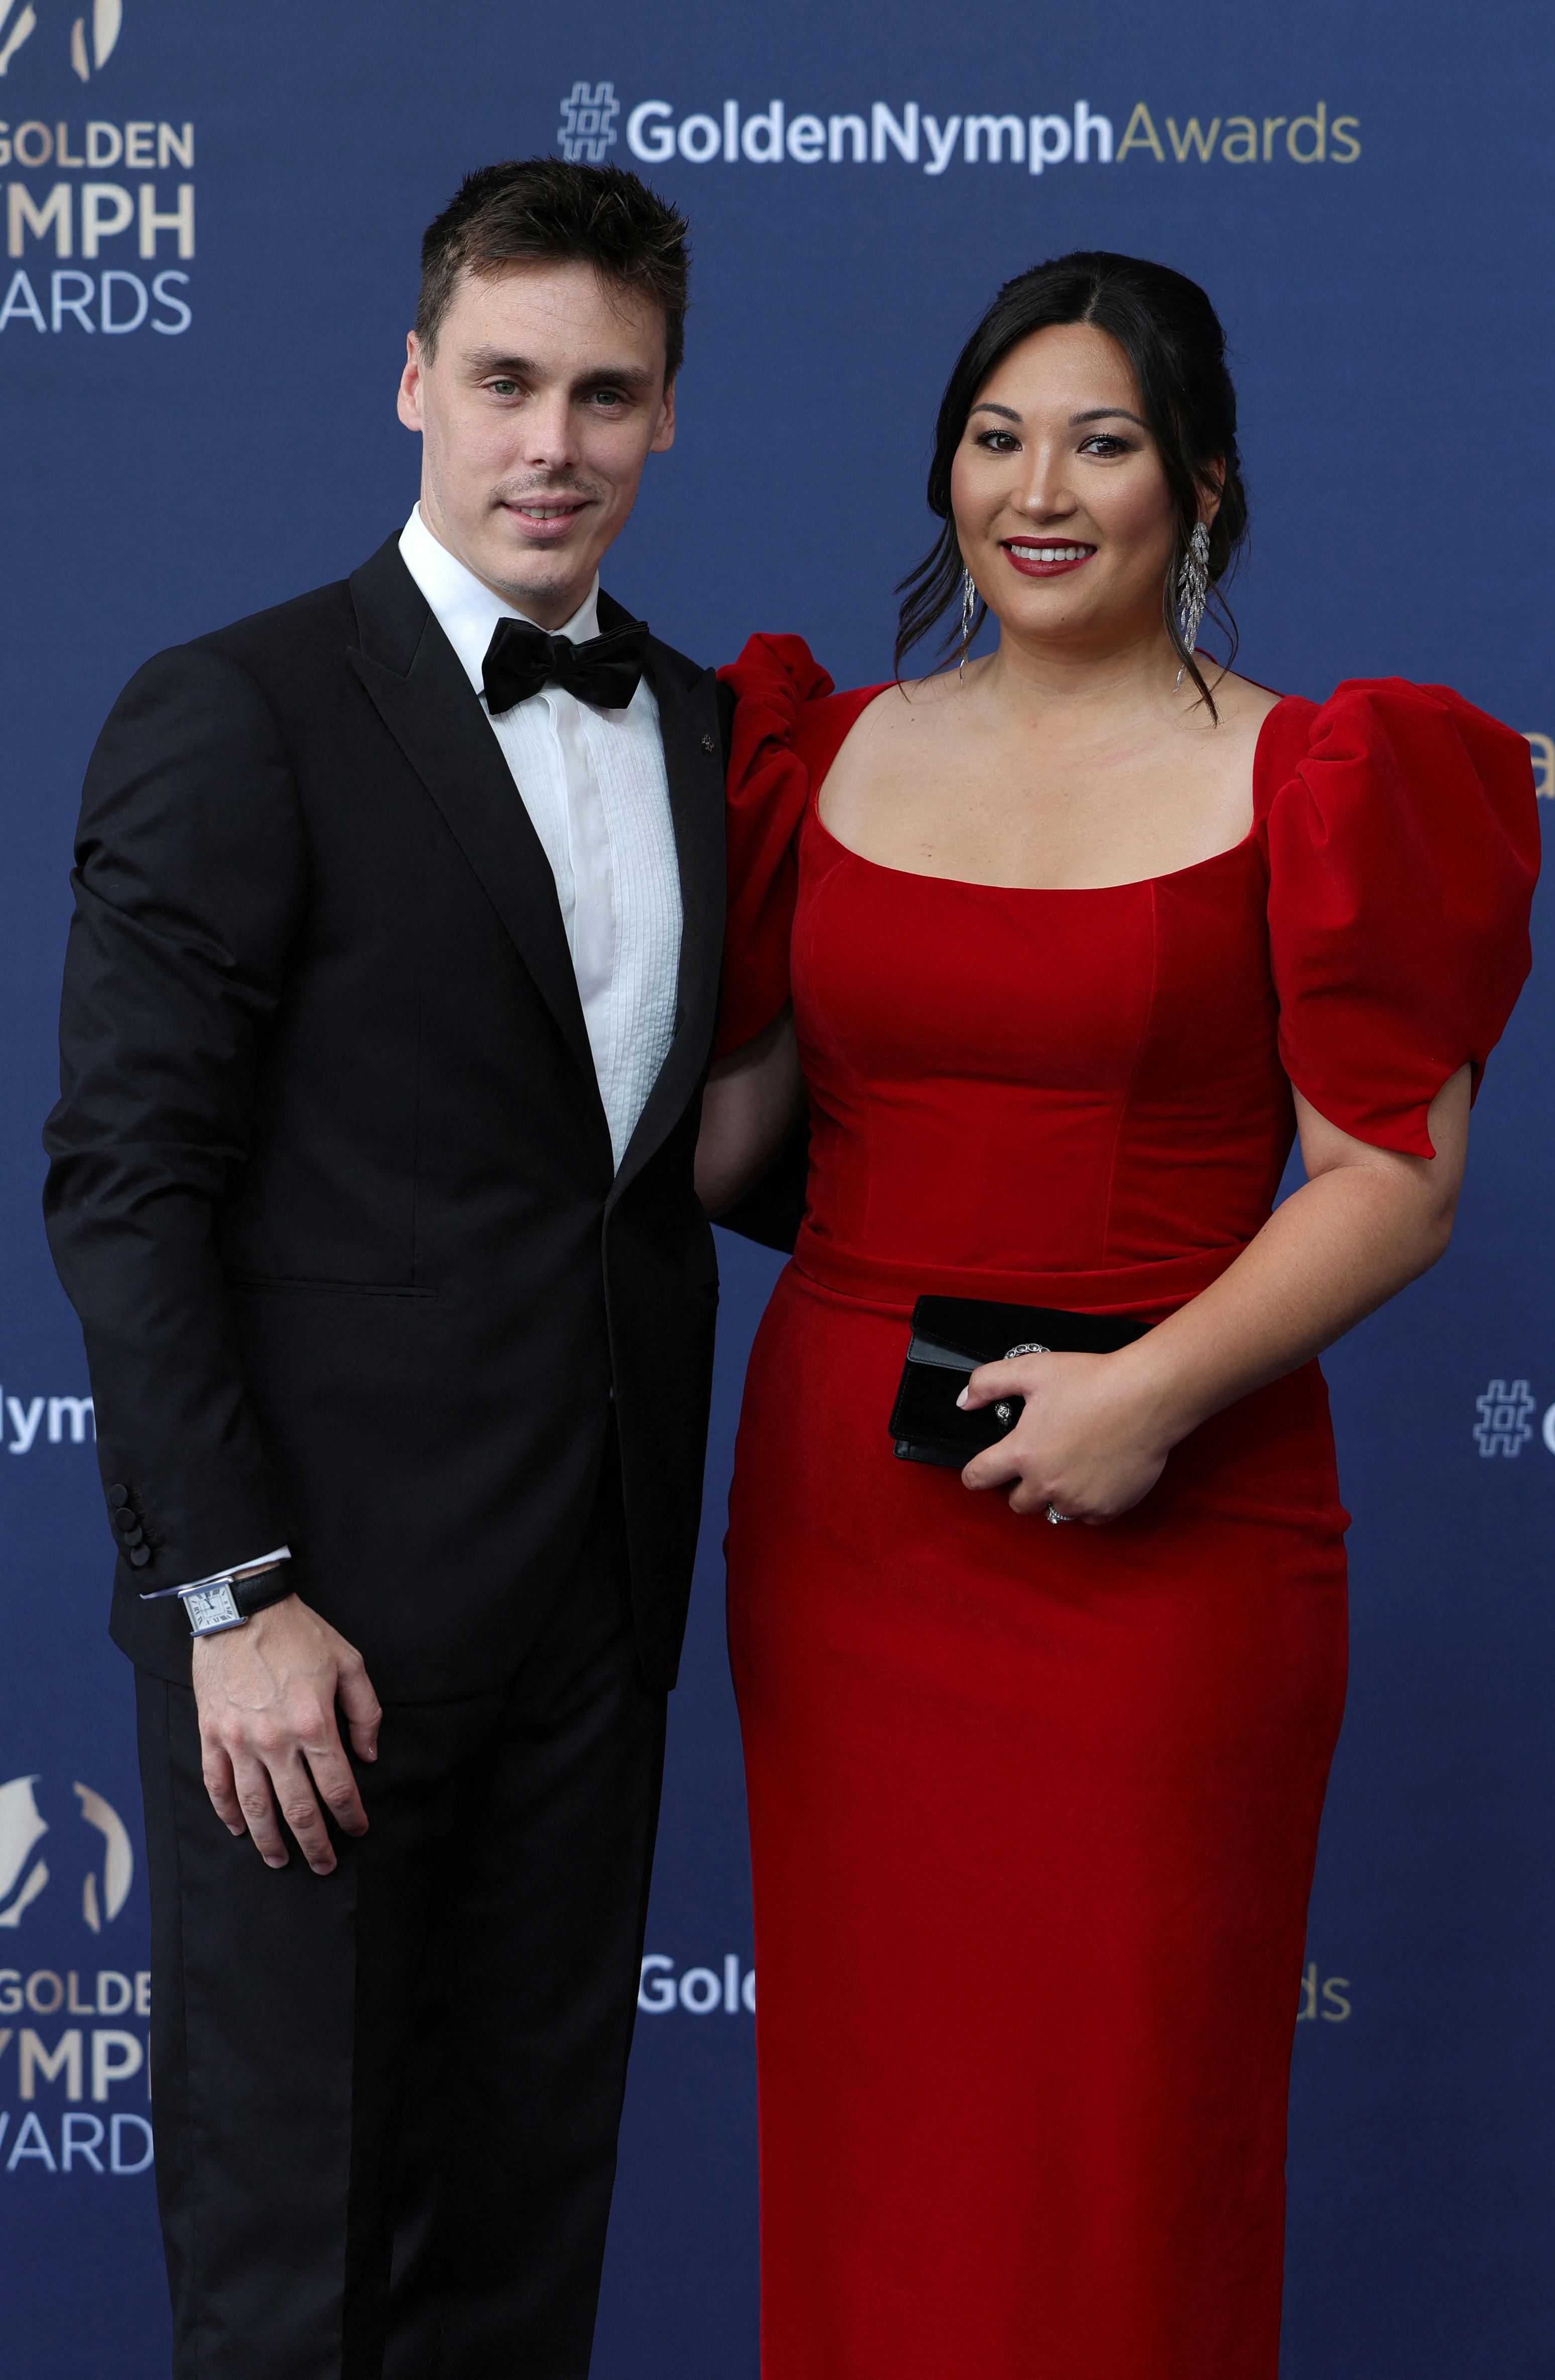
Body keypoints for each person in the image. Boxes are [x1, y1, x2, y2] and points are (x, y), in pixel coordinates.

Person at [695, 251, 1539, 2379]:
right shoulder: (826, 754)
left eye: (1102, 441)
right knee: (881, 2139)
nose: (1038, 489)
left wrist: (1142, 1398)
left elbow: (1395, 1184)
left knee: (1125, 2145)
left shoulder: (1328, 773)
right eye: (996, 438)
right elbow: (723, 1148)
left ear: (1205, 491)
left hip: (1173, 1536)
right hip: (849, 1536)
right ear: (945, 473)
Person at [43, 158, 728, 2379]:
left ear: (662, 417)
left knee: (522, 2256)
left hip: (590, 1624)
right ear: (414, 381)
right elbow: (126, 1182)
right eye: (509, 381)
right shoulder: (238, 708)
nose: (555, 442)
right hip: (308, 1645)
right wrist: (233, 1600)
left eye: (606, 394)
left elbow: (658, 1161)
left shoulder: (708, 735)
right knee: (296, 2277)